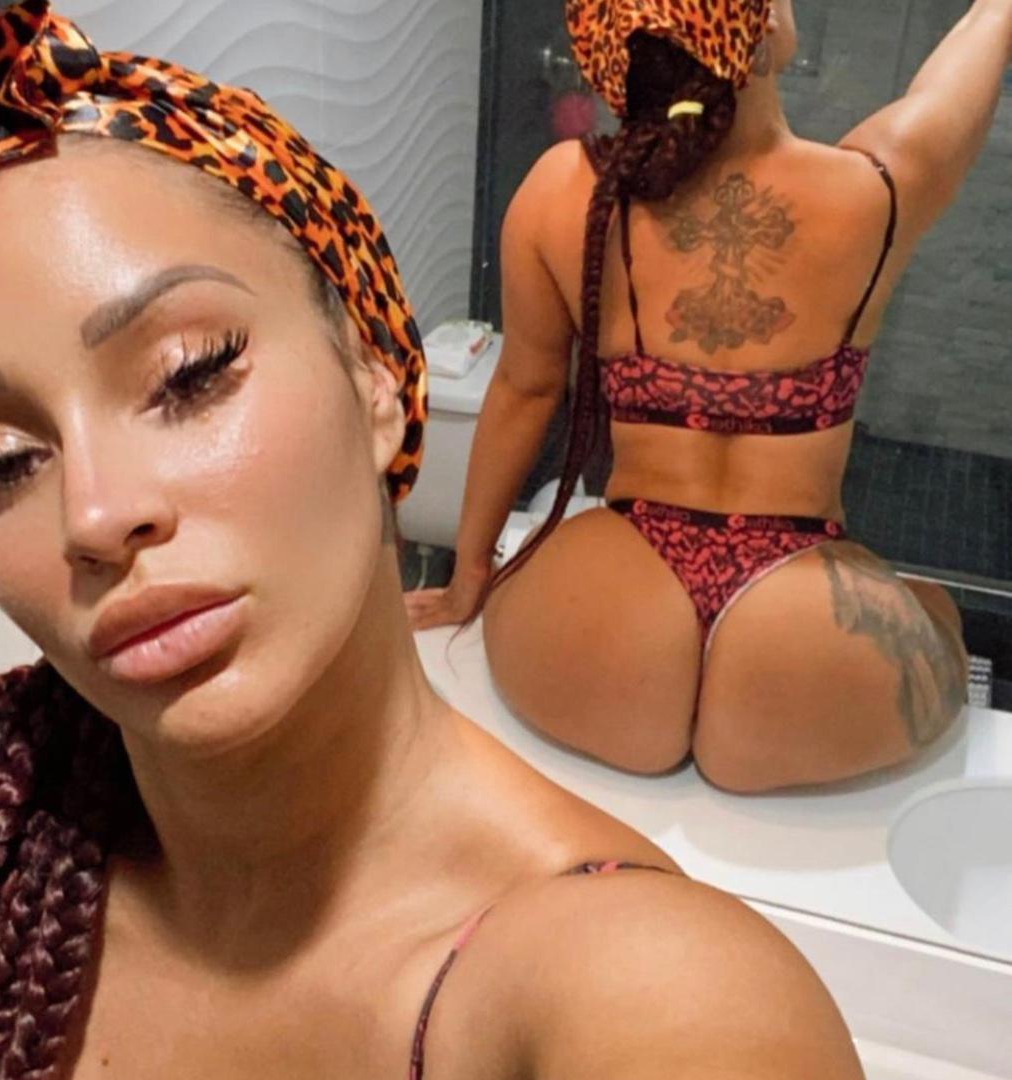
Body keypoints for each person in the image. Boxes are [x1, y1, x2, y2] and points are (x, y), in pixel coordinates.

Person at [0, 2, 867, 1080]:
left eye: (190, 373)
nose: (94, 514)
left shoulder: (643, 984)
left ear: (378, 379)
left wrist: (473, 573)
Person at [408, 0, 1011, 793]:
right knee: (934, 608)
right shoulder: (879, 186)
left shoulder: (564, 188)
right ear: (763, 33)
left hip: (603, 627)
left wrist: (467, 578)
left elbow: (525, 388)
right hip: (810, 639)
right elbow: (967, 61)